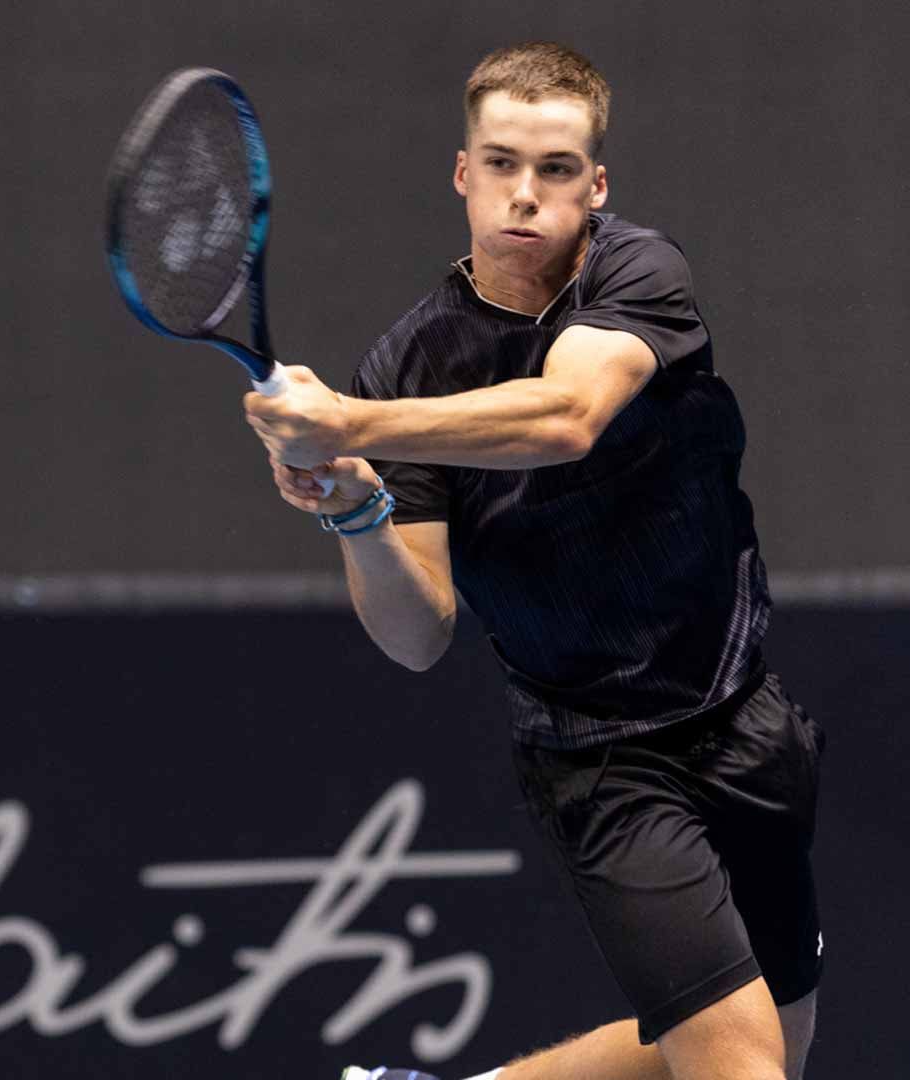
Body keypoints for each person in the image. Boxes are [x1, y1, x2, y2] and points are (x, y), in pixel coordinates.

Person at [241, 42, 826, 1080]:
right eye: (501, 164)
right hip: (600, 759)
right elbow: (418, 632)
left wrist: (347, 421)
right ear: (463, 175)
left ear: (596, 187)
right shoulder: (412, 361)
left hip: (742, 717)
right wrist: (362, 512)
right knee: (742, 1067)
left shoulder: (641, 273)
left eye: (556, 169)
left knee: (783, 1035)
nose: (526, 194)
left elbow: (567, 416)